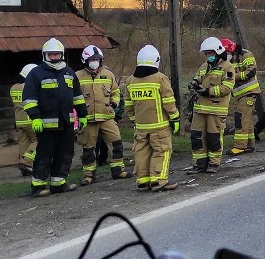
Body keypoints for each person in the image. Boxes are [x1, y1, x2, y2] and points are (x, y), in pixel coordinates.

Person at [22, 38, 88, 196]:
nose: (54, 57)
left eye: (56, 54)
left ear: (61, 54)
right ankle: (38, 186)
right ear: (45, 55)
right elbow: (29, 98)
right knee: (44, 155)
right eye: (50, 54)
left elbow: (77, 96)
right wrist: (35, 117)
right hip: (46, 125)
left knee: (65, 153)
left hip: (66, 122)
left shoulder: (69, 73)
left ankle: (58, 183)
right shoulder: (36, 74)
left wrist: (83, 115)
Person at [125, 45, 180, 191]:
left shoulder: (130, 81)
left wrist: (133, 120)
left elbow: (128, 105)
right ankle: (158, 180)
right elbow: (168, 102)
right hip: (159, 126)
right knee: (162, 151)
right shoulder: (160, 78)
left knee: (141, 152)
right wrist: (175, 118)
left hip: (141, 127)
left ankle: (142, 181)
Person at [76, 45, 130, 185]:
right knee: (88, 149)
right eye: (92, 59)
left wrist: (114, 104)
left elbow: (116, 92)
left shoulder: (108, 75)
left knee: (116, 143)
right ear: (85, 60)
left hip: (107, 117)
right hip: (87, 119)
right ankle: (89, 175)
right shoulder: (77, 76)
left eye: (97, 59)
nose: (95, 62)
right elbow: (72, 97)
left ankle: (118, 171)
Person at [189, 37, 235, 173]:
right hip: (199, 108)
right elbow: (197, 77)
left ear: (218, 52)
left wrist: (208, 91)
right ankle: (199, 163)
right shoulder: (204, 65)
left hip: (216, 109)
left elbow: (227, 87)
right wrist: (194, 84)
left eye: (210, 53)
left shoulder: (228, 67)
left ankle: (214, 163)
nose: (208, 56)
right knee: (197, 137)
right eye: (206, 54)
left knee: (213, 138)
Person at [221, 38, 259, 155]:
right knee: (246, 120)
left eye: (226, 53)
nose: (225, 56)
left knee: (241, 118)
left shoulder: (246, 54)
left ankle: (240, 146)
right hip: (240, 94)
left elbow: (250, 72)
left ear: (231, 50)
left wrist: (232, 76)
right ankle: (249, 144)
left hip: (249, 92)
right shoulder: (228, 59)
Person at [10, 64, 38, 176]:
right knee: (38, 140)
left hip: (19, 120)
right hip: (30, 119)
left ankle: (24, 167)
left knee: (23, 143)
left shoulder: (13, 88)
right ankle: (26, 162)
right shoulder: (28, 87)